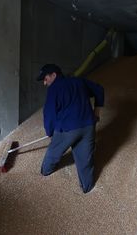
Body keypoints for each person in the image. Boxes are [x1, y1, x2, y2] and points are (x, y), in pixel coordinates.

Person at [37, 64, 104, 193]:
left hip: (67, 129)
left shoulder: (54, 88)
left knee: (53, 153)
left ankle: (45, 172)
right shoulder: (79, 81)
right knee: (85, 161)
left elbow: (49, 113)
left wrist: (50, 132)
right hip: (88, 127)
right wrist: (97, 111)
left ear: (54, 75)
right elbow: (99, 90)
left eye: (45, 79)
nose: (45, 83)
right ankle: (87, 188)